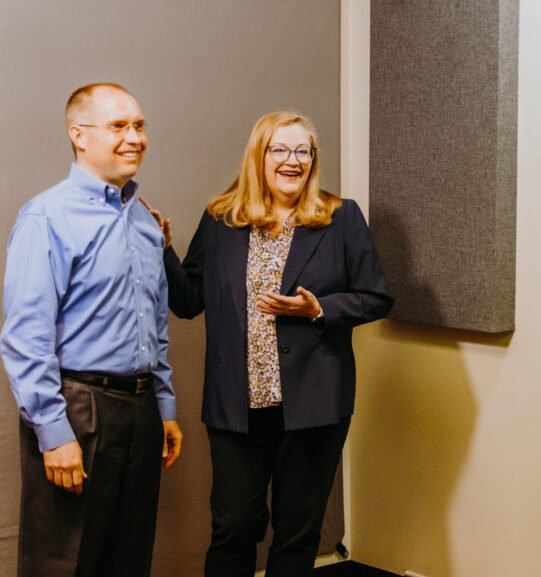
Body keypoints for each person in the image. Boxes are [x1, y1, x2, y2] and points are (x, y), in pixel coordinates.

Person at [151, 111, 392, 577]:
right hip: (236, 407)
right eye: (280, 149)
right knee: (233, 527)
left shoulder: (341, 217)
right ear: (259, 156)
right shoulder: (222, 218)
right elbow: (187, 301)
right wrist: (163, 250)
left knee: (296, 533)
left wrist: (318, 309)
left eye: (303, 151)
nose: (292, 160)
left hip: (314, 406)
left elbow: (376, 296)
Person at [0, 83, 183, 577]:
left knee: (129, 556)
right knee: (64, 561)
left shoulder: (145, 222)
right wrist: (54, 433)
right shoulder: (46, 217)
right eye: (118, 126)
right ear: (79, 135)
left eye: (139, 125)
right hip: (78, 409)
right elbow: (25, 338)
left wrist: (163, 407)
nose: (135, 137)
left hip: (141, 412)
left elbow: (155, 325)